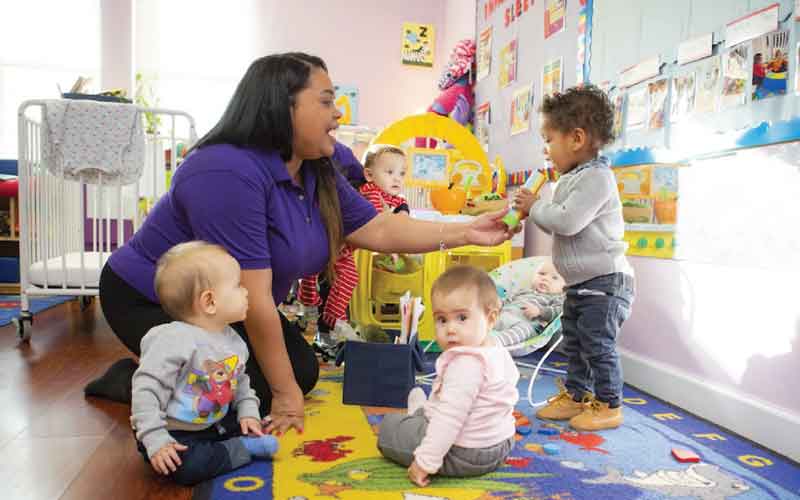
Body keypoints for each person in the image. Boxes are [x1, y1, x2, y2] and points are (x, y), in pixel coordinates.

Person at [87, 52, 516, 436]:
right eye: (326, 101)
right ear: (282, 106)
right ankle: (146, 379)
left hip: (229, 303)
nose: (339, 114)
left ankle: (161, 373)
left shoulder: (314, 168)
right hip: (156, 298)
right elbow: (255, 297)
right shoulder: (225, 172)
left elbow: (379, 230)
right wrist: (286, 398)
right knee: (234, 390)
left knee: (301, 371)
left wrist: (466, 230)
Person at [514, 85, 635, 431]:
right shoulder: (572, 178)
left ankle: (609, 404)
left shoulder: (597, 178)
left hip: (607, 282)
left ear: (577, 138)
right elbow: (559, 216)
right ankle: (578, 395)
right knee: (575, 340)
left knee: (597, 343)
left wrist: (534, 207)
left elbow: (567, 221)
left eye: (549, 138)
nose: (545, 148)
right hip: (582, 283)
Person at [131, 242, 278, 486]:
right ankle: (243, 449)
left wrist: (248, 413)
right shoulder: (172, 339)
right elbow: (147, 390)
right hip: (174, 432)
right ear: (209, 301)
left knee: (257, 416)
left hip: (214, 423)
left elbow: (241, 384)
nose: (246, 292)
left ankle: (237, 441)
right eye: (238, 286)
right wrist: (155, 438)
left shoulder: (233, 340)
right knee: (189, 468)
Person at [378, 266, 518, 487]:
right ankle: (422, 413)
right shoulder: (497, 351)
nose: (450, 329)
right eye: (442, 320)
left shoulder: (466, 363)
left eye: (462, 317)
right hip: (501, 444)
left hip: (465, 453)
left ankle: (419, 416)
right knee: (438, 406)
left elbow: (450, 419)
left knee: (389, 428)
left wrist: (425, 462)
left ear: (491, 318)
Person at [298, 144, 409, 332]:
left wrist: (402, 214)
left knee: (347, 276)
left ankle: (330, 315)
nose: (397, 178)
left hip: (343, 247)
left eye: (402, 173)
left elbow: (401, 210)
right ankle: (315, 307)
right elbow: (376, 226)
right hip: (332, 239)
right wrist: (393, 246)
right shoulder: (371, 192)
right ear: (369, 175)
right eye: (390, 172)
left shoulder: (392, 197)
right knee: (314, 271)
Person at [492, 260, 565, 349]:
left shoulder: (557, 298)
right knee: (486, 318)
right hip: (503, 316)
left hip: (526, 324)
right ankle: (477, 337)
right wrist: (498, 303)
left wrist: (540, 312)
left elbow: (558, 312)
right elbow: (507, 301)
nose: (545, 278)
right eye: (542, 274)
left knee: (524, 331)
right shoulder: (523, 291)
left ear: (564, 286)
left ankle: (495, 341)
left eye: (554, 278)